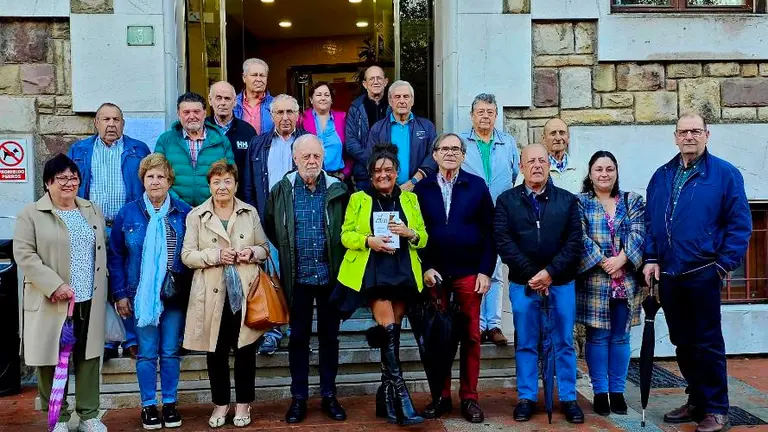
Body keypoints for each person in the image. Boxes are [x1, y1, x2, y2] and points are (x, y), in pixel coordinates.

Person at [643, 113, 751, 432]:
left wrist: (722, 266)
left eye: (695, 131)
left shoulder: (725, 175)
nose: (689, 136)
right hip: (671, 275)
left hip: (704, 271)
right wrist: (651, 258)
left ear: (707, 134)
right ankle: (697, 400)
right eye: (683, 131)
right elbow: (651, 224)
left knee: (707, 342)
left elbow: (740, 225)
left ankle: (717, 408)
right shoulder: (661, 176)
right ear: (674, 136)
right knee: (682, 341)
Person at [335, 142, 428, 426]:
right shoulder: (359, 198)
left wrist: (410, 233)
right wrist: (368, 240)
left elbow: (423, 236)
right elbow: (345, 235)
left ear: (397, 172)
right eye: (377, 171)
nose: (383, 175)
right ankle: (402, 397)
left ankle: (384, 396)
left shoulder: (410, 200)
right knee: (387, 330)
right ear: (371, 174)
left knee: (394, 335)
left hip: (402, 271)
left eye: (388, 170)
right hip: (373, 271)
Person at [13, 154, 108, 432]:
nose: (69, 183)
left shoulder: (90, 209)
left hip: (87, 298)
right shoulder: (31, 213)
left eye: (73, 177)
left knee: (88, 357)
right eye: (61, 178)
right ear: (47, 183)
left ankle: (89, 415)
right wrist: (54, 285)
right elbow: (24, 254)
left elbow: (100, 250)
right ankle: (59, 418)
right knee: (51, 360)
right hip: (51, 300)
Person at [495, 143, 584, 423]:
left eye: (542, 161)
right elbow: (503, 241)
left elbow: (574, 243)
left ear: (549, 165)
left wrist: (550, 273)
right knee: (526, 342)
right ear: (521, 167)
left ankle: (568, 397)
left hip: (561, 283)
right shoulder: (506, 201)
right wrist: (534, 275)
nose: (536, 166)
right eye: (530, 161)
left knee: (564, 342)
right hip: (524, 285)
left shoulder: (567, 201)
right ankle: (527, 397)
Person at [264, 135, 349, 424]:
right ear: (295, 159)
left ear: (323, 158)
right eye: (306, 157)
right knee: (298, 338)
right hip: (297, 278)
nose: (311, 161)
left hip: (329, 277)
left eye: (316, 156)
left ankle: (329, 395)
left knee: (329, 339)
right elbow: (271, 226)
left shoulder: (338, 189)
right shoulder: (282, 190)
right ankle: (299, 397)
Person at [414, 133, 495, 423]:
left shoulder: (476, 186)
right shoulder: (421, 190)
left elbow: (490, 233)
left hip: (469, 274)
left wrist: (486, 271)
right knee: (439, 340)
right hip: (435, 275)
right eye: (444, 149)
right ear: (434, 155)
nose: (449, 153)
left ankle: (470, 398)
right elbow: (414, 233)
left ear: (463, 155)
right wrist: (424, 267)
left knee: (471, 337)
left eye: (455, 149)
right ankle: (441, 396)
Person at [181, 160, 270, 429]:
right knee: (216, 352)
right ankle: (221, 404)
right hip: (212, 293)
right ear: (209, 185)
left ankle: (243, 403)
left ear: (235, 184)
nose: (222, 187)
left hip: (245, 292)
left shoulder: (249, 212)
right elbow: (187, 255)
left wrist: (251, 253)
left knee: (245, 349)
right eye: (217, 182)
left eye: (227, 181)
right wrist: (216, 255)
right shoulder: (196, 215)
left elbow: (264, 247)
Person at [108, 154, 192, 429]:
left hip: (174, 295)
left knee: (169, 351)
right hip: (139, 296)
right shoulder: (128, 213)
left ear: (169, 180)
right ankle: (147, 406)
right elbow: (116, 254)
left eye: (160, 176)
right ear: (143, 180)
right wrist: (119, 293)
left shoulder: (184, 211)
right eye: (150, 176)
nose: (155, 181)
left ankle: (169, 403)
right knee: (146, 353)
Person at [67, 102, 151, 361]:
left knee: (128, 279)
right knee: (96, 283)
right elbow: (70, 184)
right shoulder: (80, 150)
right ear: (96, 122)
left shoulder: (138, 149)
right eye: (105, 119)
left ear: (123, 123)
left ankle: (131, 339)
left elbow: (149, 183)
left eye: (116, 119)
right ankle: (105, 340)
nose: (111, 124)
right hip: (92, 225)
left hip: (128, 224)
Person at [576, 151, 645, 417]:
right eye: (598, 169)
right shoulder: (581, 203)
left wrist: (622, 260)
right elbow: (579, 236)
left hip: (625, 281)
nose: (604, 174)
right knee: (598, 337)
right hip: (595, 280)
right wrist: (605, 262)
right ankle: (600, 392)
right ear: (590, 173)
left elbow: (640, 232)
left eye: (609, 169)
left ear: (616, 172)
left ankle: (617, 392)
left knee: (621, 337)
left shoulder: (633, 201)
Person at [243, 94, 307, 355]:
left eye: (290, 112)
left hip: (300, 222)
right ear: (271, 115)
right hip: (267, 222)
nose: (285, 118)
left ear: (298, 114)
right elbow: (248, 186)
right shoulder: (258, 145)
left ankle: (296, 331)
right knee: (273, 277)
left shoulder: (306, 143)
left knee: (298, 278)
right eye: (279, 113)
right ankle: (273, 330)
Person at [459, 93, 519, 347]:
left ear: (496, 116)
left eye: (490, 112)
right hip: (470, 215)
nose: (485, 116)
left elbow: (516, 173)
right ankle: (476, 324)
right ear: (472, 115)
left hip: (499, 215)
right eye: (480, 111)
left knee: (495, 269)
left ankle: (493, 324)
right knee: (473, 269)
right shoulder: (460, 142)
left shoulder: (508, 142)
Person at [155, 92, 235, 207]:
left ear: (204, 113)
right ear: (179, 114)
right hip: (175, 209)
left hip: (213, 209)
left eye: (196, 112)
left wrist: (210, 206)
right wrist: (181, 205)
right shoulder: (165, 141)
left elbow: (230, 177)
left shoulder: (221, 140)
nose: (192, 116)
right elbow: (158, 177)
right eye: (186, 112)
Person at [366, 80, 437, 192]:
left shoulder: (427, 127)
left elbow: (434, 156)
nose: (402, 101)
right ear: (390, 101)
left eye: (406, 97)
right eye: (397, 97)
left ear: (412, 101)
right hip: (387, 191)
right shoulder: (377, 129)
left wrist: (414, 181)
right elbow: (371, 159)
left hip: (420, 188)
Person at [208, 81, 258, 198]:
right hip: (208, 198)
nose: (223, 103)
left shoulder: (248, 131)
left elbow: (253, 170)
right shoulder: (203, 129)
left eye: (227, 98)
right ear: (210, 100)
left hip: (240, 198)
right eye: (218, 98)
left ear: (235, 102)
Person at [298, 81, 353, 182]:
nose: (323, 98)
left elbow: (350, 150)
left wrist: (344, 174)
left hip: (337, 178)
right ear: (311, 99)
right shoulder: (302, 120)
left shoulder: (343, 119)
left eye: (327, 95)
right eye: (318, 95)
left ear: (331, 99)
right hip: (310, 179)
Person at [346, 65, 390, 190]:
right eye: (371, 79)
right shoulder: (355, 108)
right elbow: (351, 142)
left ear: (385, 82)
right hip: (364, 174)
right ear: (365, 84)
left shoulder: (393, 106)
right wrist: (372, 162)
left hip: (390, 173)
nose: (375, 82)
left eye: (379, 78)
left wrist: (387, 164)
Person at [515, 118, 585, 194]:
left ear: (568, 137)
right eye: (553, 133)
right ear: (544, 139)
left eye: (562, 133)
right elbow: (518, 196)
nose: (558, 138)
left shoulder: (581, 168)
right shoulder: (530, 168)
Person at [233, 58, 274, 135]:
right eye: (254, 75)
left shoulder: (275, 104)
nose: (258, 79)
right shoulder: (233, 103)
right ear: (244, 78)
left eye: (262, 75)